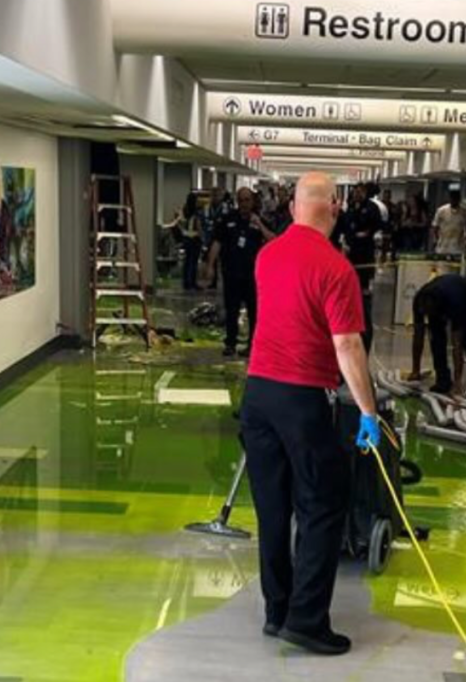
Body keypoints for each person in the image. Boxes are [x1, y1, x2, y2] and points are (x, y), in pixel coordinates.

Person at [242, 171, 380, 656]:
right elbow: (346, 344)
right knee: (322, 503)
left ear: (293, 207)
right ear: (335, 207)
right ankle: (305, 621)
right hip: (301, 398)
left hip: (256, 396)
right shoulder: (336, 267)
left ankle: (276, 612)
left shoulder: (266, 255)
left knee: (273, 508)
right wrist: (368, 411)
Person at [206, 188, 266, 357]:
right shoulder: (227, 220)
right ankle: (230, 343)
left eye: (247, 200)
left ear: (252, 202)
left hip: (253, 276)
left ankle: (252, 345)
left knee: (254, 311)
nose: (244, 204)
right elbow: (217, 242)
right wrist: (210, 266)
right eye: (241, 200)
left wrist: (260, 225)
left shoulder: (259, 220)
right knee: (231, 310)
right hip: (231, 273)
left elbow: (275, 240)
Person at [407, 274, 466, 395]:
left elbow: (457, 344)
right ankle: (443, 380)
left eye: (429, 313)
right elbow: (418, 335)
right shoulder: (419, 301)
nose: (426, 316)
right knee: (436, 341)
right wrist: (415, 370)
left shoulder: (456, 302)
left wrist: (457, 383)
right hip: (444, 294)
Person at [164, 193, 204, 291]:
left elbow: (177, 221)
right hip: (195, 238)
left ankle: (186, 283)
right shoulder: (197, 212)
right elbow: (198, 226)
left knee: (187, 262)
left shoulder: (184, 210)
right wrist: (202, 237)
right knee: (193, 262)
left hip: (186, 237)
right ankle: (193, 283)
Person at [432, 189, 466, 256]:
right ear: (449, 199)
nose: (454, 200)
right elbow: (435, 226)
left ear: (459, 199)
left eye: (456, 198)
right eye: (452, 198)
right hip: (443, 246)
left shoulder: (465, 212)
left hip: (458, 247)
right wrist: (436, 239)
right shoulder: (441, 211)